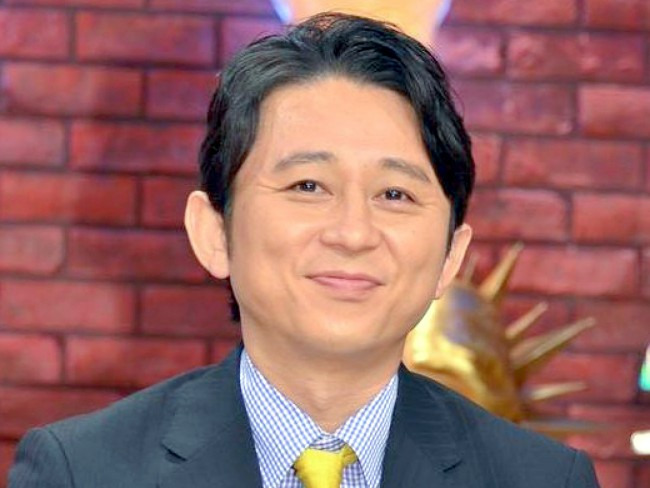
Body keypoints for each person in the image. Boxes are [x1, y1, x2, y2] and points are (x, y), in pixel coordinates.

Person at [9, 13, 599, 488]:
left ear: (451, 254)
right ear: (214, 232)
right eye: (307, 186)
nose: (353, 233)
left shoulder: (544, 479)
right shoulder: (82, 470)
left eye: (394, 194)